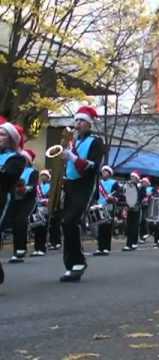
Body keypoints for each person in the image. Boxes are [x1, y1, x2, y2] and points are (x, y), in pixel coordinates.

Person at [60, 106, 104, 282]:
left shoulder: (96, 141)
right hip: (69, 184)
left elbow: (92, 167)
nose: (77, 124)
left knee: (71, 220)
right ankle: (71, 265)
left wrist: (72, 157)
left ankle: (78, 261)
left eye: (81, 121)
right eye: (76, 120)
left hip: (85, 185)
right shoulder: (74, 142)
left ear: (89, 124)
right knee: (65, 223)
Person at [0, 121, 26, 284]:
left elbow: (7, 176)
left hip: (3, 198)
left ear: (11, 139)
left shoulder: (17, 158)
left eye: (2, 134)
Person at [8, 148, 38, 263]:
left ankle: (21, 249)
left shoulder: (33, 171)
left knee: (21, 220)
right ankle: (17, 250)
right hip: (15, 200)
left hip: (28, 200)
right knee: (15, 223)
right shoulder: (16, 170)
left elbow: (33, 185)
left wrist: (24, 189)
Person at [93, 165, 120, 256]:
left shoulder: (114, 183)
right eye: (103, 172)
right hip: (100, 206)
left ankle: (106, 248)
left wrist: (113, 198)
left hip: (109, 207)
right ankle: (100, 247)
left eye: (106, 172)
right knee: (100, 228)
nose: (104, 173)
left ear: (109, 174)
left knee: (107, 228)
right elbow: (96, 195)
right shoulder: (99, 183)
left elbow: (118, 195)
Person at [123, 170, 145, 252]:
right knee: (130, 226)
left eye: (133, 177)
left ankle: (131, 243)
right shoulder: (129, 185)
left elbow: (140, 197)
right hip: (130, 207)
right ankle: (131, 243)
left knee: (134, 226)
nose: (131, 178)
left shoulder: (139, 187)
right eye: (131, 177)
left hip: (136, 208)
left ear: (136, 178)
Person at [32, 169, 52, 256]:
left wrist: (46, 201)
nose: (43, 177)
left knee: (43, 229)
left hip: (46, 209)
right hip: (37, 209)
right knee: (37, 228)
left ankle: (42, 248)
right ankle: (36, 248)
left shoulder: (51, 186)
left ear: (48, 177)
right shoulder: (37, 187)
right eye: (42, 176)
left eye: (45, 176)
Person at [139, 177, 155, 243]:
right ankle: (142, 236)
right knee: (142, 221)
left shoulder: (152, 189)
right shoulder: (141, 189)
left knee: (145, 220)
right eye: (142, 182)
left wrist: (150, 197)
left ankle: (145, 235)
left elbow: (156, 195)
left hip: (150, 206)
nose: (143, 183)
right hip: (142, 206)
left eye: (144, 182)